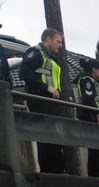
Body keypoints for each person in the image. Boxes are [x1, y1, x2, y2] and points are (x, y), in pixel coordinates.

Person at [19, 28, 67, 174]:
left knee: (55, 140)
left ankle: (58, 171)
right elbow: (24, 72)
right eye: (58, 42)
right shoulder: (35, 53)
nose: (60, 45)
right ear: (48, 39)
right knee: (46, 140)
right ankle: (50, 173)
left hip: (52, 104)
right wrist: (47, 88)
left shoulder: (51, 58)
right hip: (41, 102)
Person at [75, 57, 99, 178]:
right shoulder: (87, 80)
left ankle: (95, 175)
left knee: (95, 148)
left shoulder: (86, 79)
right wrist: (98, 117)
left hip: (90, 117)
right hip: (92, 117)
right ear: (93, 69)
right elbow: (88, 100)